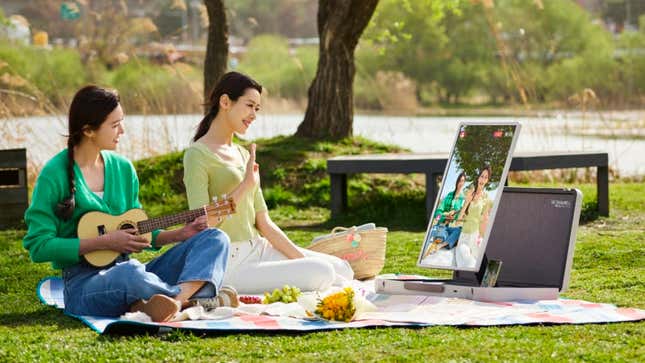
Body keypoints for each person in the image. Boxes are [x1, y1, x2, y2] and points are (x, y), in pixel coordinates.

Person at [23, 85, 234, 323]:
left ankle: (173, 303)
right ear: (88, 130)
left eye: (121, 122)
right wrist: (102, 242)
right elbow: (38, 246)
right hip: (85, 285)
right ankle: (194, 298)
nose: (122, 130)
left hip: (134, 272)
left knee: (215, 238)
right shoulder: (54, 174)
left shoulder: (123, 169)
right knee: (129, 273)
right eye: (114, 125)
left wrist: (181, 234)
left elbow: (140, 231)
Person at [183, 71, 353, 294]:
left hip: (259, 249)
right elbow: (202, 225)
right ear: (225, 102)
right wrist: (245, 185)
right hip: (228, 261)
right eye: (249, 105)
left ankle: (320, 278)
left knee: (341, 268)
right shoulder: (197, 155)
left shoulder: (243, 155)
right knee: (323, 273)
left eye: (257, 108)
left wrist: (299, 260)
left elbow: (264, 223)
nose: (254, 114)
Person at [454, 165, 493, 269]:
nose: (483, 179)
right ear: (478, 178)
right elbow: (457, 222)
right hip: (464, 237)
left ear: (487, 180)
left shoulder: (487, 198)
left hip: (475, 237)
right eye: (481, 176)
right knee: (468, 261)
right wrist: (467, 202)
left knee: (481, 264)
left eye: (485, 177)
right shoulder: (469, 193)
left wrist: (482, 238)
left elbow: (484, 220)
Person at [422, 172, 466, 258]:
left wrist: (454, 217)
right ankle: (446, 241)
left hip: (450, 227)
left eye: (463, 181)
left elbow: (459, 217)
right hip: (441, 226)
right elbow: (437, 214)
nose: (461, 183)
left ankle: (440, 245)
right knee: (441, 233)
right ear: (457, 182)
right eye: (460, 181)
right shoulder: (449, 195)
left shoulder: (462, 199)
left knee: (459, 230)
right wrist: (444, 216)